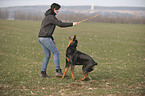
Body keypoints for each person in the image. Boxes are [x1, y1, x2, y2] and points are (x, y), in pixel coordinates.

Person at [38, 3, 78, 77]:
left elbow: (46, 29)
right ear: (54, 9)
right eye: (57, 9)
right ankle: (58, 71)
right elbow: (60, 24)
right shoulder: (51, 17)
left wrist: (52, 38)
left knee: (47, 55)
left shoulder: (47, 17)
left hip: (41, 38)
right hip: (45, 38)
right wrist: (72, 24)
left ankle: (43, 73)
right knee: (56, 52)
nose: (58, 11)